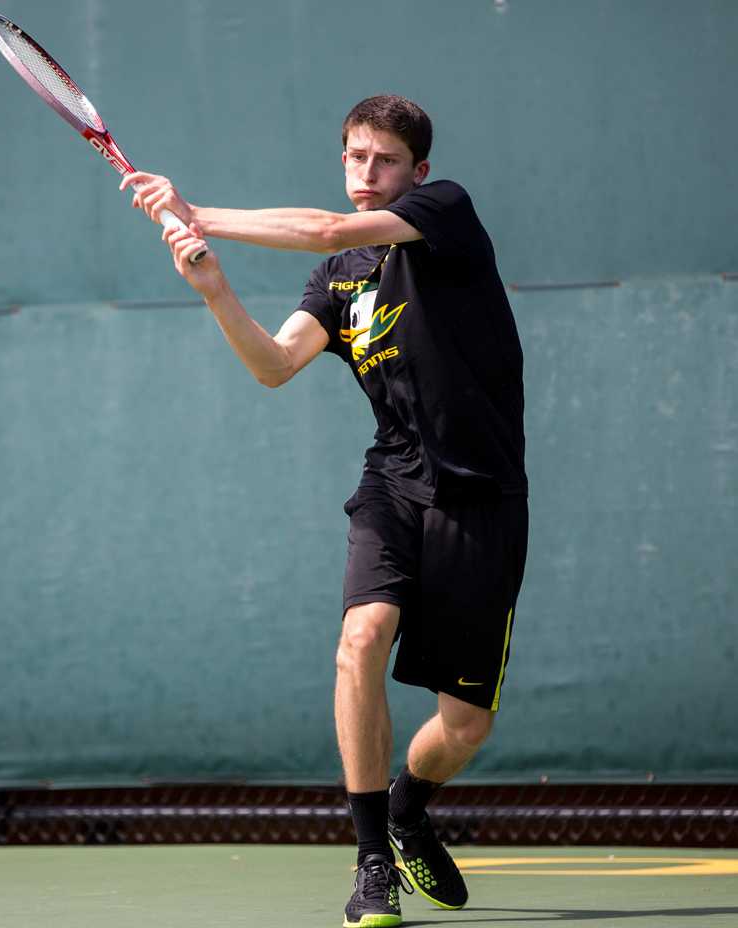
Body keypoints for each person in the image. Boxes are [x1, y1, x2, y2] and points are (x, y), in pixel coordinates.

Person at [122, 94, 528, 928]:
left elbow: (327, 230)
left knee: (464, 725)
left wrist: (196, 211)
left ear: (416, 171)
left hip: (481, 498)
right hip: (393, 483)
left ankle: (412, 805)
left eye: (384, 161)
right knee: (361, 636)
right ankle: (373, 856)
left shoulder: (443, 212)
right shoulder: (338, 284)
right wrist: (213, 290)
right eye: (354, 158)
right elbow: (274, 364)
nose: (366, 175)